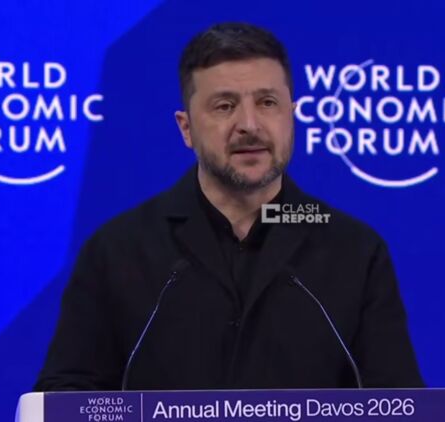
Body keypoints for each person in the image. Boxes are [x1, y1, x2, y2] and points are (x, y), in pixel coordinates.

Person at [35, 22, 423, 391]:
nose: (249, 125)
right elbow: (67, 396)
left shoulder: (354, 251)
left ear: (291, 116)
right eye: (224, 106)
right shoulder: (117, 251)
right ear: (186, 128)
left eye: (267, 102)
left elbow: (399, 402)